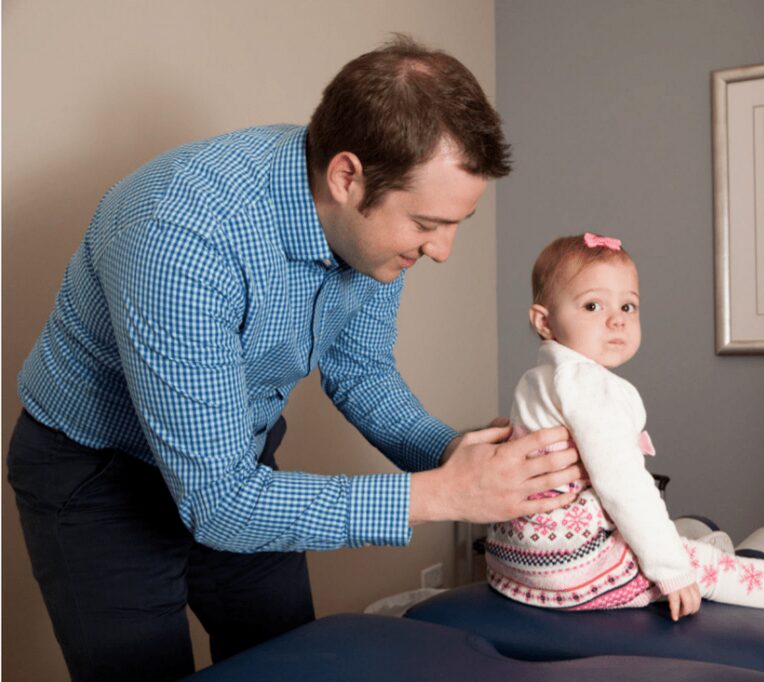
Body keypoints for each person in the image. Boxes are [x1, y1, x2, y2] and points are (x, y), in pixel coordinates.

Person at [7, 36, 582, 681]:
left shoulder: (369, 225)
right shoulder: (178, 235)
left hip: (240, 465)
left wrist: (459, 457)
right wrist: (445, 495)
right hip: (100, 480)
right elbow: (219, 502)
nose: (441, 250)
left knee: (291, 664)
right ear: (347, 176)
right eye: (426, 224)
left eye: (454, 224)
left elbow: (362, 374)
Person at [485, 233, 764, 625]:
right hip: (571, 563)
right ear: (544, 321)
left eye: (628, 305)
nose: (616, 318)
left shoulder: (539, 377)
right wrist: (670, 570)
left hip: (519, 560)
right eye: (592, 305)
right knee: (704, 565)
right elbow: (623, 484)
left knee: (682, 544)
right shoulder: (589, 385)